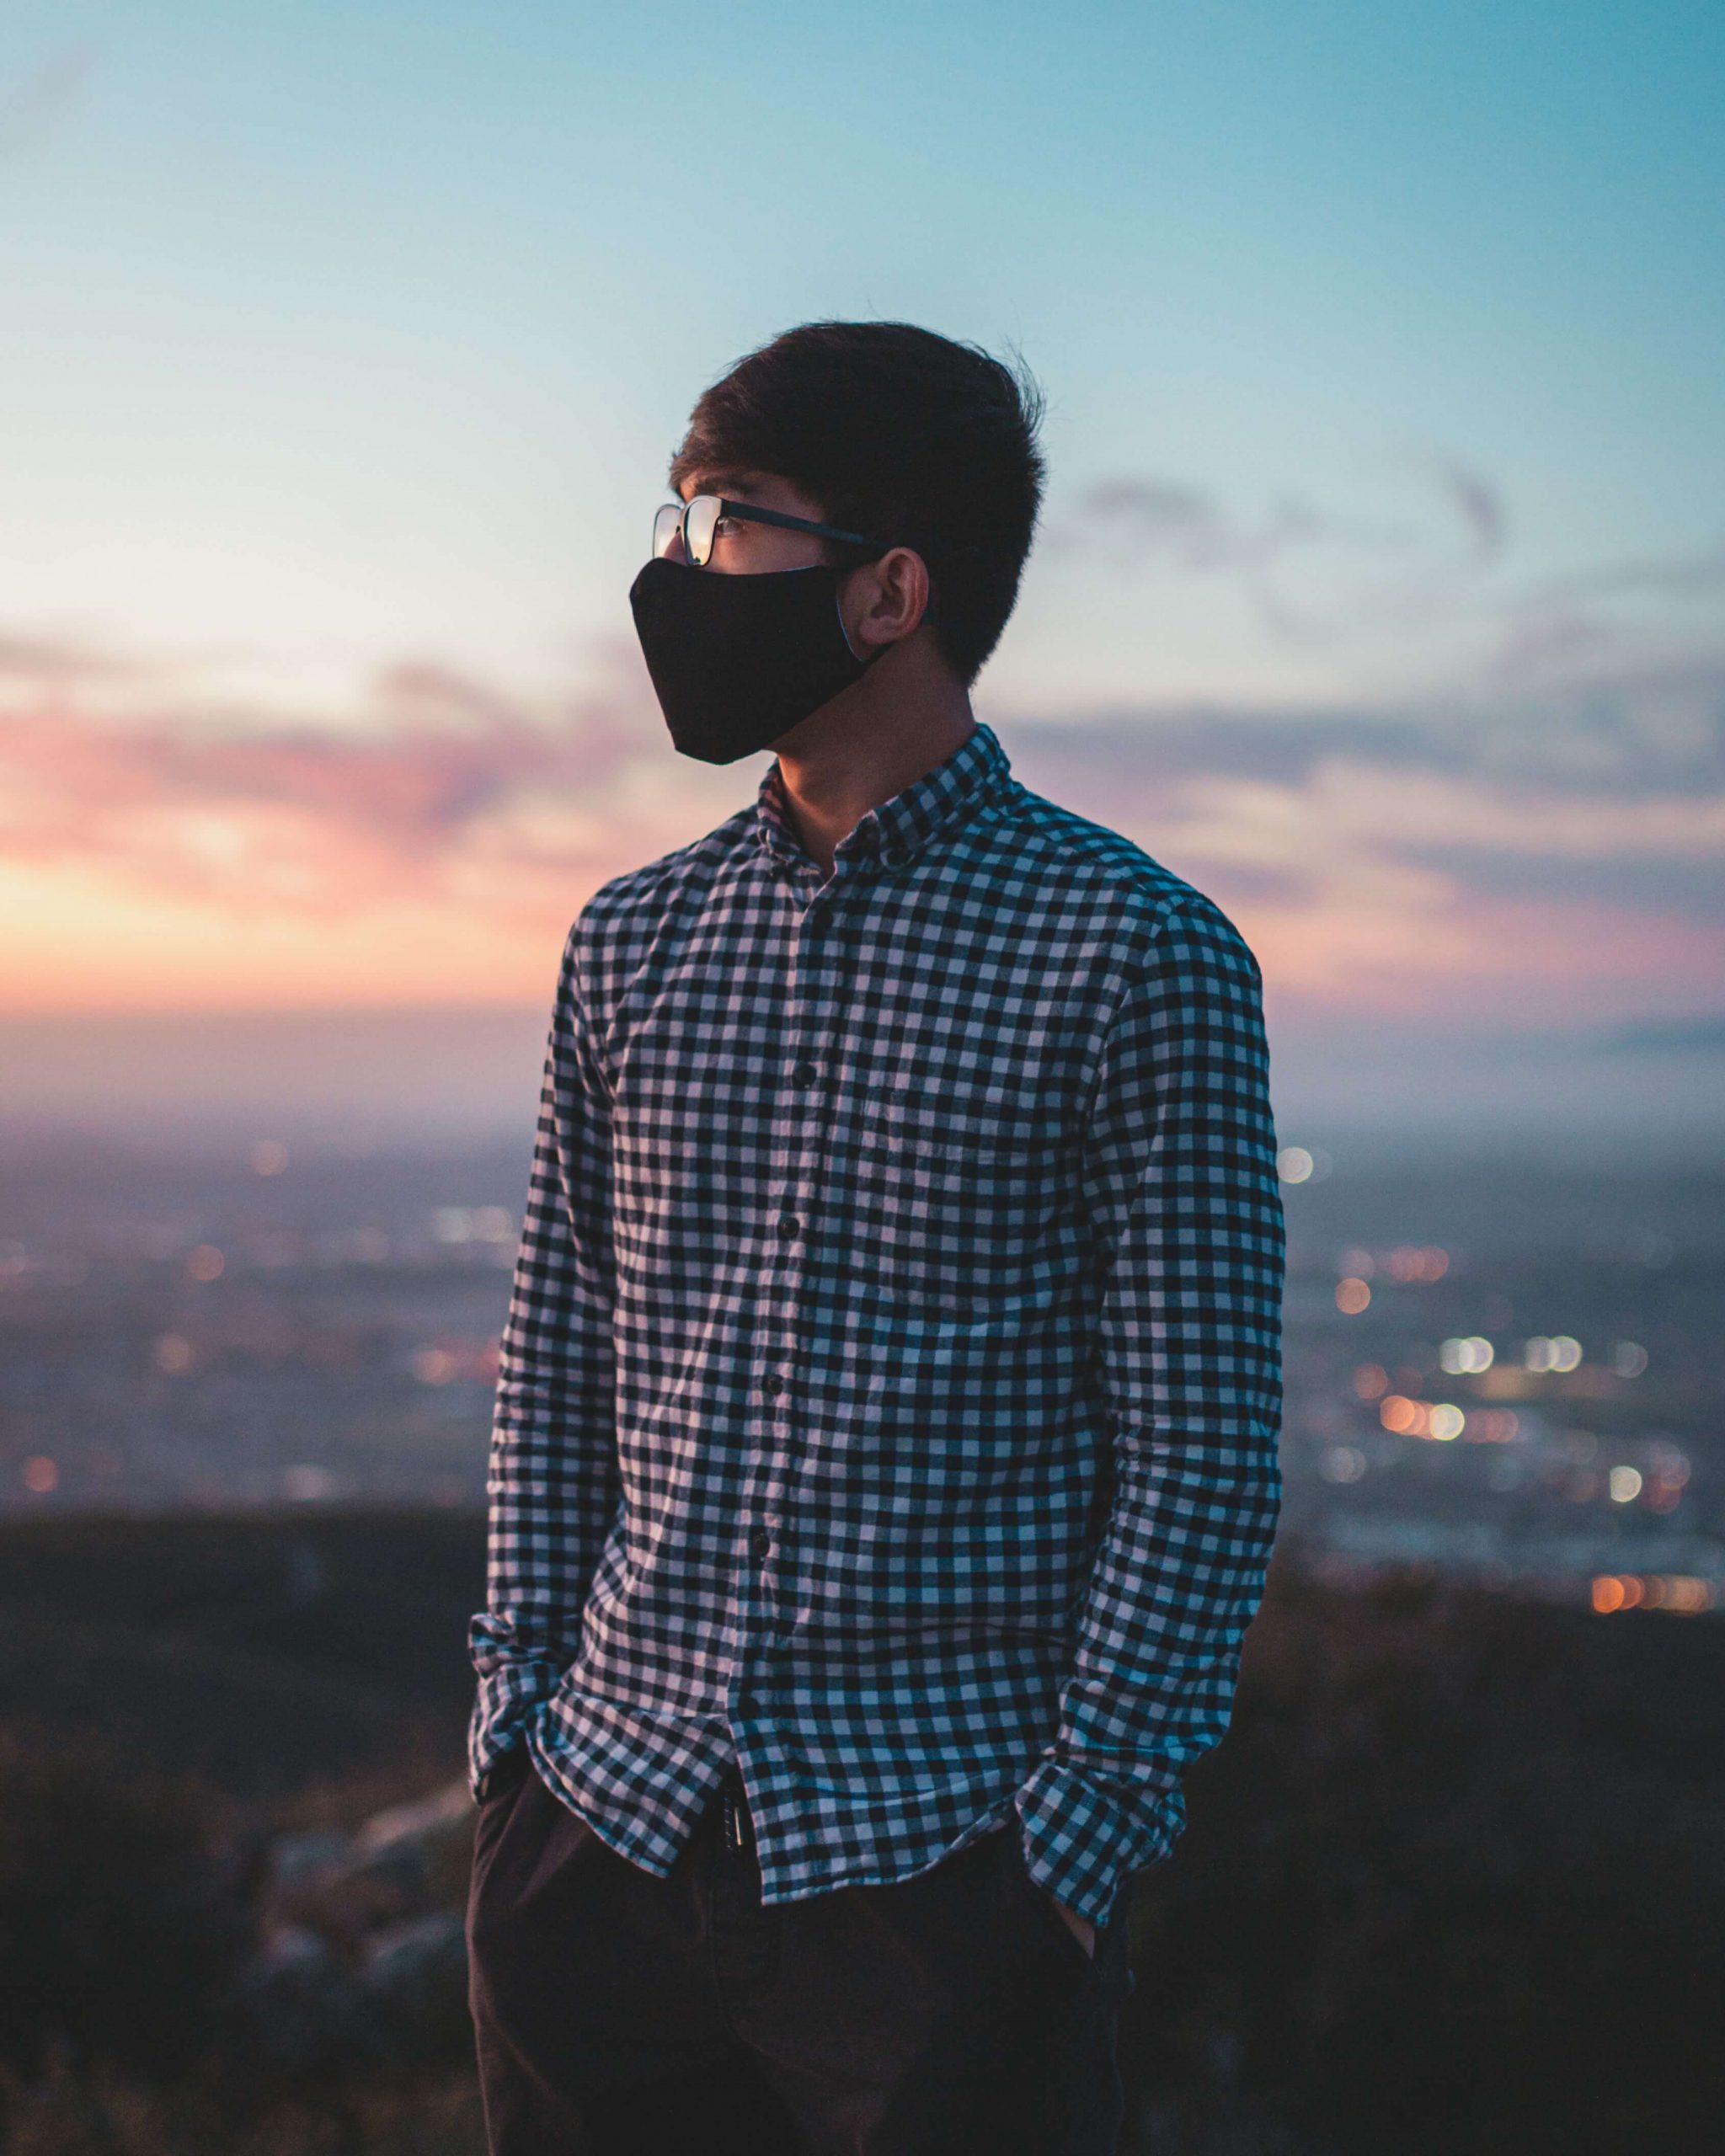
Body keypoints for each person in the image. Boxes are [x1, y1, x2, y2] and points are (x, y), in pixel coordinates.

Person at [464, 319, 1285, 2155]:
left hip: (936, 1879)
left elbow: (1201, 1445)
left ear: (889, 589)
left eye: (731, 524)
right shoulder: (631, 940)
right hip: (598, 1832)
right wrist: (513, 1734)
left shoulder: (1132, 950)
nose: (674, 574)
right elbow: (559, 1355)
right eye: (672, 520)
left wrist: (1066, 1846)